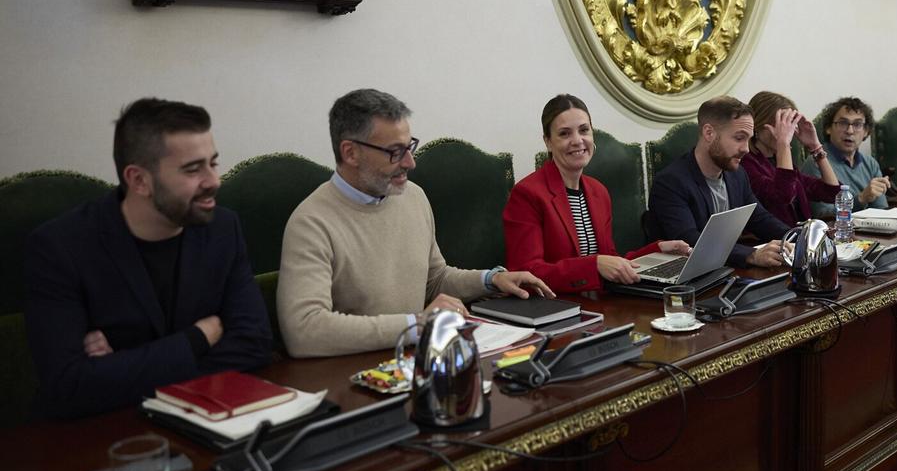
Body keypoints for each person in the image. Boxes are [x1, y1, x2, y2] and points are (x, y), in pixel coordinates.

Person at [23, 98, 272, 419]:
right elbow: (69, 385)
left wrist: (122, 365)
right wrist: (198, 338)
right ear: (139, 180)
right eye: (193, 169)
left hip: (209, 417)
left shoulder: (223, 228)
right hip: (100, 436)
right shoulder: (59, 248)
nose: (214, 181)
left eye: (213, 163)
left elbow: (255, 345)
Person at [276, 89, 553, 358]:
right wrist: (416, 324)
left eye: (409, 147)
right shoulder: (311, 222)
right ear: (350, 153)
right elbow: (304, 330)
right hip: (352, 376)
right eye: (395, 152)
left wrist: (491, 279)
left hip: (414, 361)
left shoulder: (412, 196)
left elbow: (435, 280)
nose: (410, 162)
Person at [503, 95, 691, 293]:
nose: (577, 140)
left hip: (599, 304)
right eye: (565, 134)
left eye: (584, 130)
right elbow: (525, 274)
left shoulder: (598, 191)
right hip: (555, 309)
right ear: (548, 142)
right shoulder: (527, 194)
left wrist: (658, 249)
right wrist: (594, 265)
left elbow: (611, 262)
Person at [647, 96, 791, 269]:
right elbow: (689, 239)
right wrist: (751, 255)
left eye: (748, 139)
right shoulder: (670, 182)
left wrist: (796, 237)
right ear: (709, 133)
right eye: (739, 138)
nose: (746, 149)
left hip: (726, 270)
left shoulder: (737, 175)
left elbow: (759, 218)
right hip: (686, 279)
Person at [740, 91, 841, 224]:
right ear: (758, 126)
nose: (788, 132)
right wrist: (783, 145)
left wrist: (815, 147)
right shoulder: (746, 163)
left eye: (790, 124)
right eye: (782, 124)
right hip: (771, 242)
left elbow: (833, 193)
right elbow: (782, 196)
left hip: (797, 238)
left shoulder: (779, 161)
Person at [801, 96, 891, 218]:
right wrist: (860, 199)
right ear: (828, 128)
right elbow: (822, 215)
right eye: (843, 123)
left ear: (866, 131)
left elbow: (881, 211)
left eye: (857, 124)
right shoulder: (817, 162)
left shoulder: (870, 163)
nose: (850, 131)